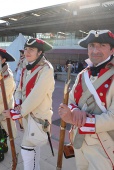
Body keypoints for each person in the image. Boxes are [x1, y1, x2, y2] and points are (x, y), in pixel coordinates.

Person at [58, 30, 114, 170]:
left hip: (103, 145)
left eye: (102, 45)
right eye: (92, 45)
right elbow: (71, 100)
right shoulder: (83, 74)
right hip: (78, 141)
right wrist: (74, 110)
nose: (95, 50)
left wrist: (75, 120)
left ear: (112, 49)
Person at [3, 38, 55, 170]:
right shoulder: (26, 65)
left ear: (40, 52)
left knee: (26, 150)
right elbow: (19, 88)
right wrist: (18, 103)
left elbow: (36, 96)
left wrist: (18, 112)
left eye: (31, 49)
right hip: (26, 115)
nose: (27, 52)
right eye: (26, 49)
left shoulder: (46, 69)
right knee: (33, 147)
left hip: (37, 116)